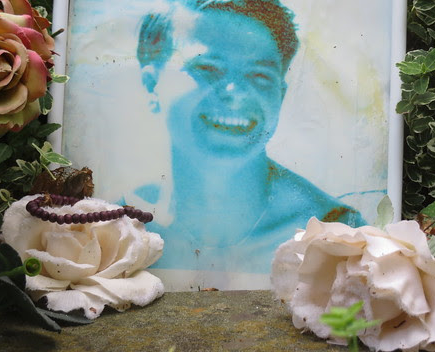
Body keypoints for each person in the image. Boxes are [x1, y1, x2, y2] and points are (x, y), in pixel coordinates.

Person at [130, 0, 366, 275]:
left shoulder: (337, 233)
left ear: (280, 95)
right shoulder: (112, 228)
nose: (235, 91)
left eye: (259, 75)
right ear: (151, 83)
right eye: (207, 68)